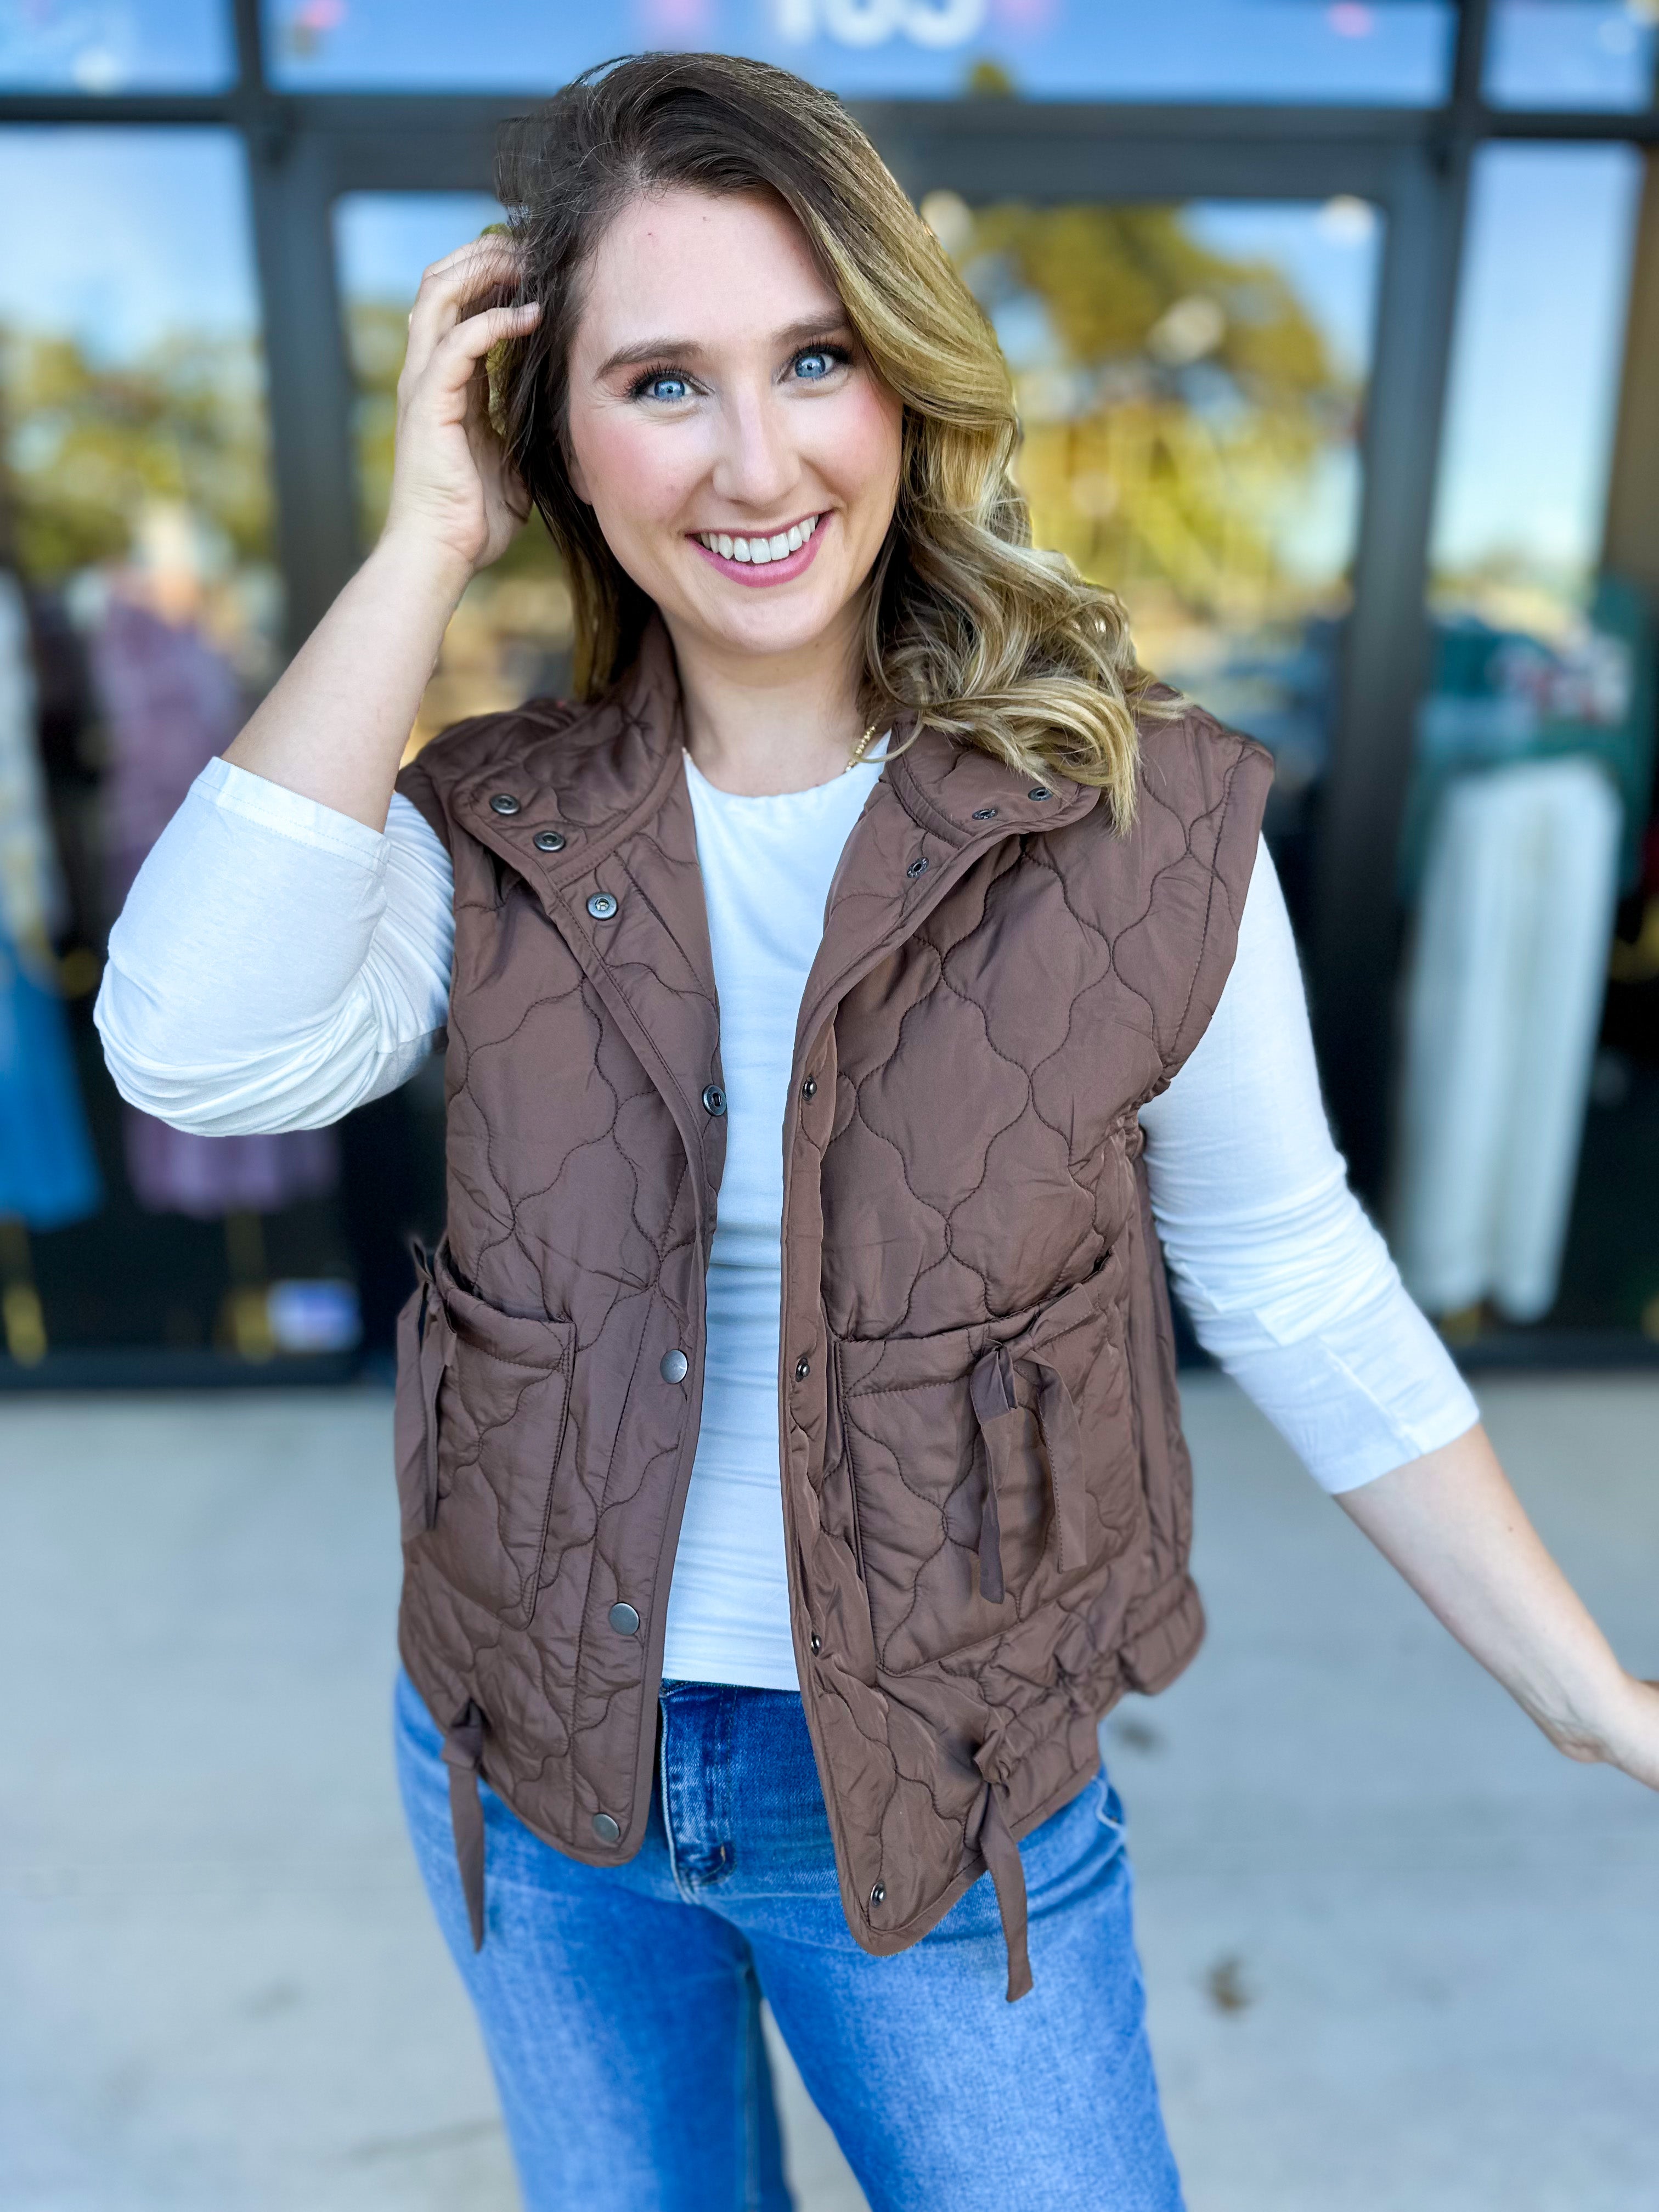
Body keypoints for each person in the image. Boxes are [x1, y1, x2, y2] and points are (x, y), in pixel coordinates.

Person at [96, 52, 1659, 2212]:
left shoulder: (1133, 817)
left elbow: (1291, 1270)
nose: (758, 459)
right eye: (660, 381)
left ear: (904, 387)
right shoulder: (489, 830)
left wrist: (1591, 1692)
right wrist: (422, 547)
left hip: (931, 1788)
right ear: (551, 432)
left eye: (814, 357)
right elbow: (195, 1051)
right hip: (533, 1772)